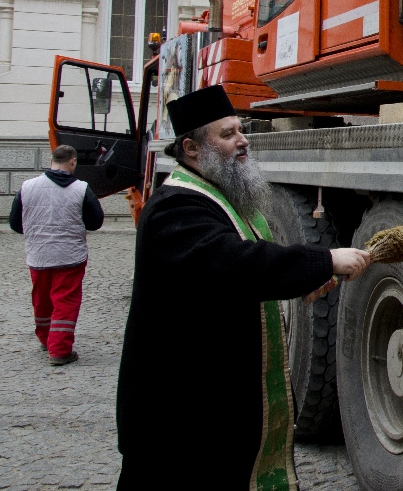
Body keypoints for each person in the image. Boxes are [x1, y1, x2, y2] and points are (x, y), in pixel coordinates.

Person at [115, 85, 371, 490]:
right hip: (177, 413)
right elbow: (235, 264)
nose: (243, 140)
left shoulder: (215, 196)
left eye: (241, 129)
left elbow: (240, 271)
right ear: (191, 148)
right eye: (228, 133)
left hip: (207, 401)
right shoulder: (174, 207)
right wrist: (326, 260)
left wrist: (308, 278)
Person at [9, 144, 105, 366]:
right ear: (72, 162)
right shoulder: (81, 189)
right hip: (70, 256)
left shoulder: (27, 187)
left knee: (41, 300)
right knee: (66, 301)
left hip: (38, 255)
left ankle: (46, 339)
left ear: (51, 161)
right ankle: (59, 350)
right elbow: (95, 222)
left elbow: (15, 224)